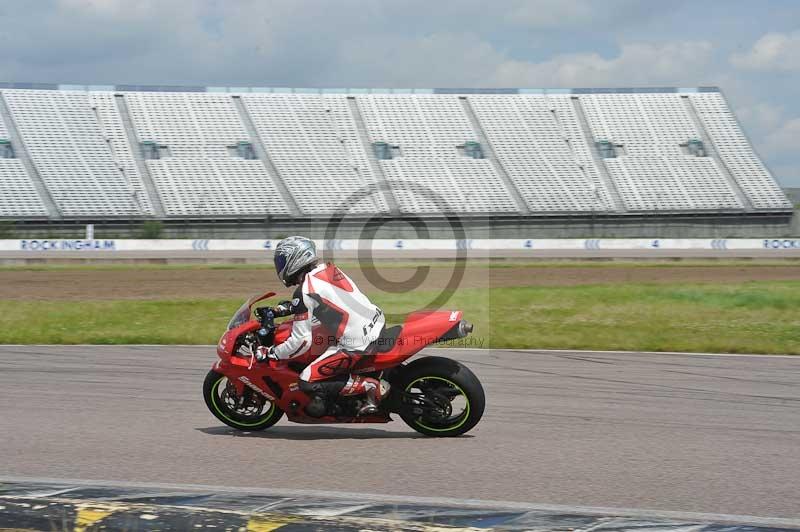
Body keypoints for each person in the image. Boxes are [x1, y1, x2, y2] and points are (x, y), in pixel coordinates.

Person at [256, 236, 389, 417]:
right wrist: (279, 310)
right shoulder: (329, 270)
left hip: (357, 343)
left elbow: (300, 342)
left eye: (282, 261)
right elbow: (323, 301)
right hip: (375, 322)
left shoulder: (305, 290)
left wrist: (272, 352)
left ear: (295, 258)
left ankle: (370, 386)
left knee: (306, 380)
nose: (280, 266)